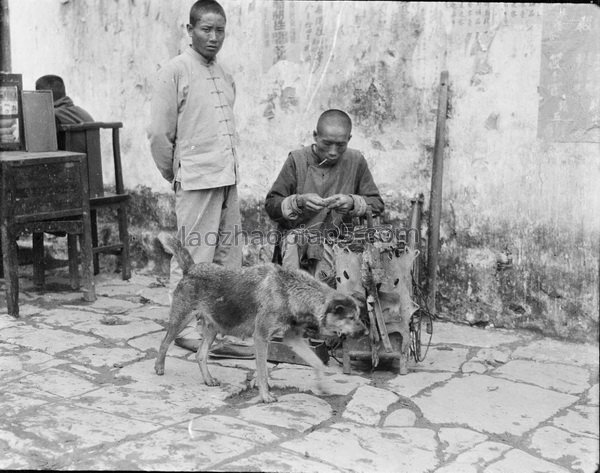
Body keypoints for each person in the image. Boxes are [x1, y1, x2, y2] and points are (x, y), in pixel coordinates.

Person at [148, 0, 247, 356]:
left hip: (227, 178)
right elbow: (160, 134)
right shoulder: (174, 71)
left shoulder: (224, 73)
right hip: (194, 180)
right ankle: (184, 329)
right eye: (206, 29)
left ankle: (221, 331)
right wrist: (173, 173)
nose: (214, 37)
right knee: (194, 259)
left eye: (220, 30)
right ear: (189, 31)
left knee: (227, 260)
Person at [265, 109, 384, 282]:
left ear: (349, 139)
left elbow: (377, 204)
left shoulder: (356, 161)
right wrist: (298, 202)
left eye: (340, 145)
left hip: (340, 248)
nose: (333, 152)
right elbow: (271, 205)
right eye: (327, 144)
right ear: (315, 136)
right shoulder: (297, 160)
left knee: (335, 303)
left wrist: (352, 202)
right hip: (298, 248)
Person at [35, 74, 94, 151]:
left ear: (41, 96)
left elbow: (41, 146)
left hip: (70, 161)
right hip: (90, 161)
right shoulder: (83, 113)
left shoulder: (51, 116)